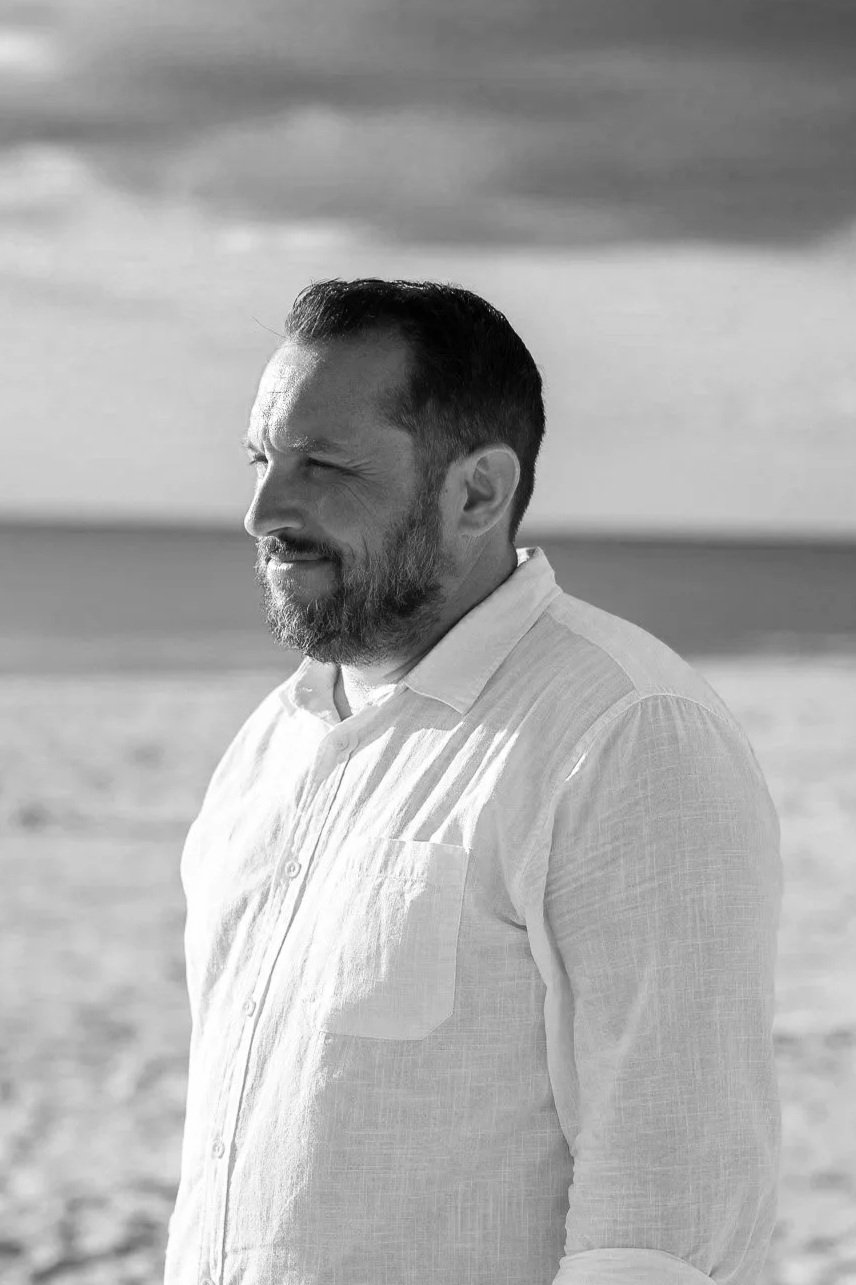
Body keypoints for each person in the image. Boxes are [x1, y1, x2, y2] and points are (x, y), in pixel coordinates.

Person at [163, 278, 783, 1285]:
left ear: (477, 493)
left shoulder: (624, 732)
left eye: (322, 465)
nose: (263, 510)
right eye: (262, 458)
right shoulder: (270, 743)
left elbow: (672, 1213)